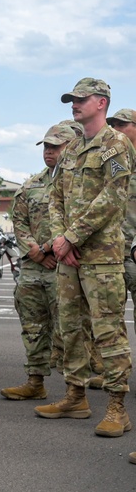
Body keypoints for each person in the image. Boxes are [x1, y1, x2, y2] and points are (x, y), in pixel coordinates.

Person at [36, 78, 134, 440]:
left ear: (102, 103)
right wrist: (62, 239)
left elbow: (113, 198)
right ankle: (75, 397)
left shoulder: (117, 144)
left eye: (81, 100)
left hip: (102, 256)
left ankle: (117, 408)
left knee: (108, 331)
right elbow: (55, 196)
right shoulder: (73, 147)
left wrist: (71, 237)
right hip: (70, 255)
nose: (74, 105)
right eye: (71, 100)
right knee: (71, 327)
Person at [0, 122, 79, 400]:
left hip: (65, 266)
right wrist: (32, 250)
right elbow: (18, 219)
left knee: (69, 331)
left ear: (71, 147)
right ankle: (35, 382)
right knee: (32, 327)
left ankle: (74, 392)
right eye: (45, 146)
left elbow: (81, 222)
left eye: (54, 146)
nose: (48, 151)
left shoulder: (80, 183)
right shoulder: (32, 184)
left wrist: (47, 249)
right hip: (33, 269)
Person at [108, 107, 136, 340]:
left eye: (121, 124)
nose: (115, 129)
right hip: (111, 252)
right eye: (113, 125)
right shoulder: (110, 162)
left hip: (134, 253)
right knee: (110, 315)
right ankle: (116, 372)